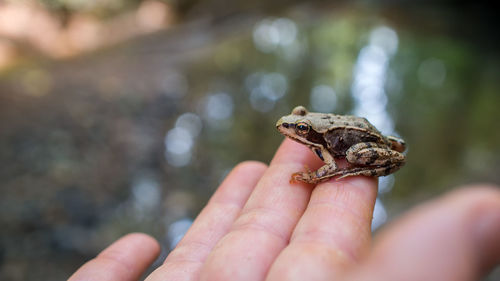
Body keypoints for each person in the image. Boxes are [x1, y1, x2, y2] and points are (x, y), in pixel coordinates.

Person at [68, 139, 500, 281]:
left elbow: (333, 163)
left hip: (358, 143)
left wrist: (317, 178)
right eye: (298, 123)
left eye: (299, 127)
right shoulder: (311, 137)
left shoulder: (325, 143)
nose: (292, 131)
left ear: (309, 133)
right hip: (364, 134)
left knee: (349, 168)